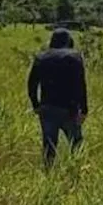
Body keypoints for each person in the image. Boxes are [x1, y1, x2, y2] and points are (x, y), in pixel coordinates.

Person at [27, 28, 88, 168]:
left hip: (47, 107)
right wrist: (84, 109)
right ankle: (77, 171)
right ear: (69, 41)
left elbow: (31, 84)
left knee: (49, 145)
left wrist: (35, 104)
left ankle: (49, 173)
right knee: (76, 143)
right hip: (69, 108)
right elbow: (80, 84)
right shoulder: (74, 57)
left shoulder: (41, 57)